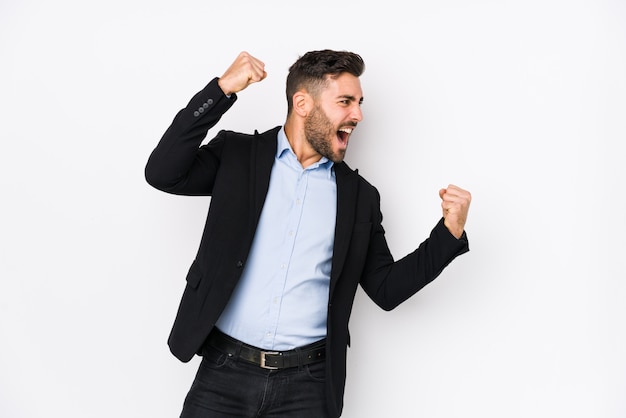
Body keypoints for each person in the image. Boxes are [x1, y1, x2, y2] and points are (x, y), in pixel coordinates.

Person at [145, 50, 471, 418]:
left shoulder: (360, 197)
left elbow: (385, 288)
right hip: (224, 374)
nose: (358, 115)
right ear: (302, 103)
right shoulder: (237, 156)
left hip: (307, 388)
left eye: (360, 103)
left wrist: (449, 233)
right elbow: (163, 172)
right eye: (346, 102)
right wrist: (221, 90)